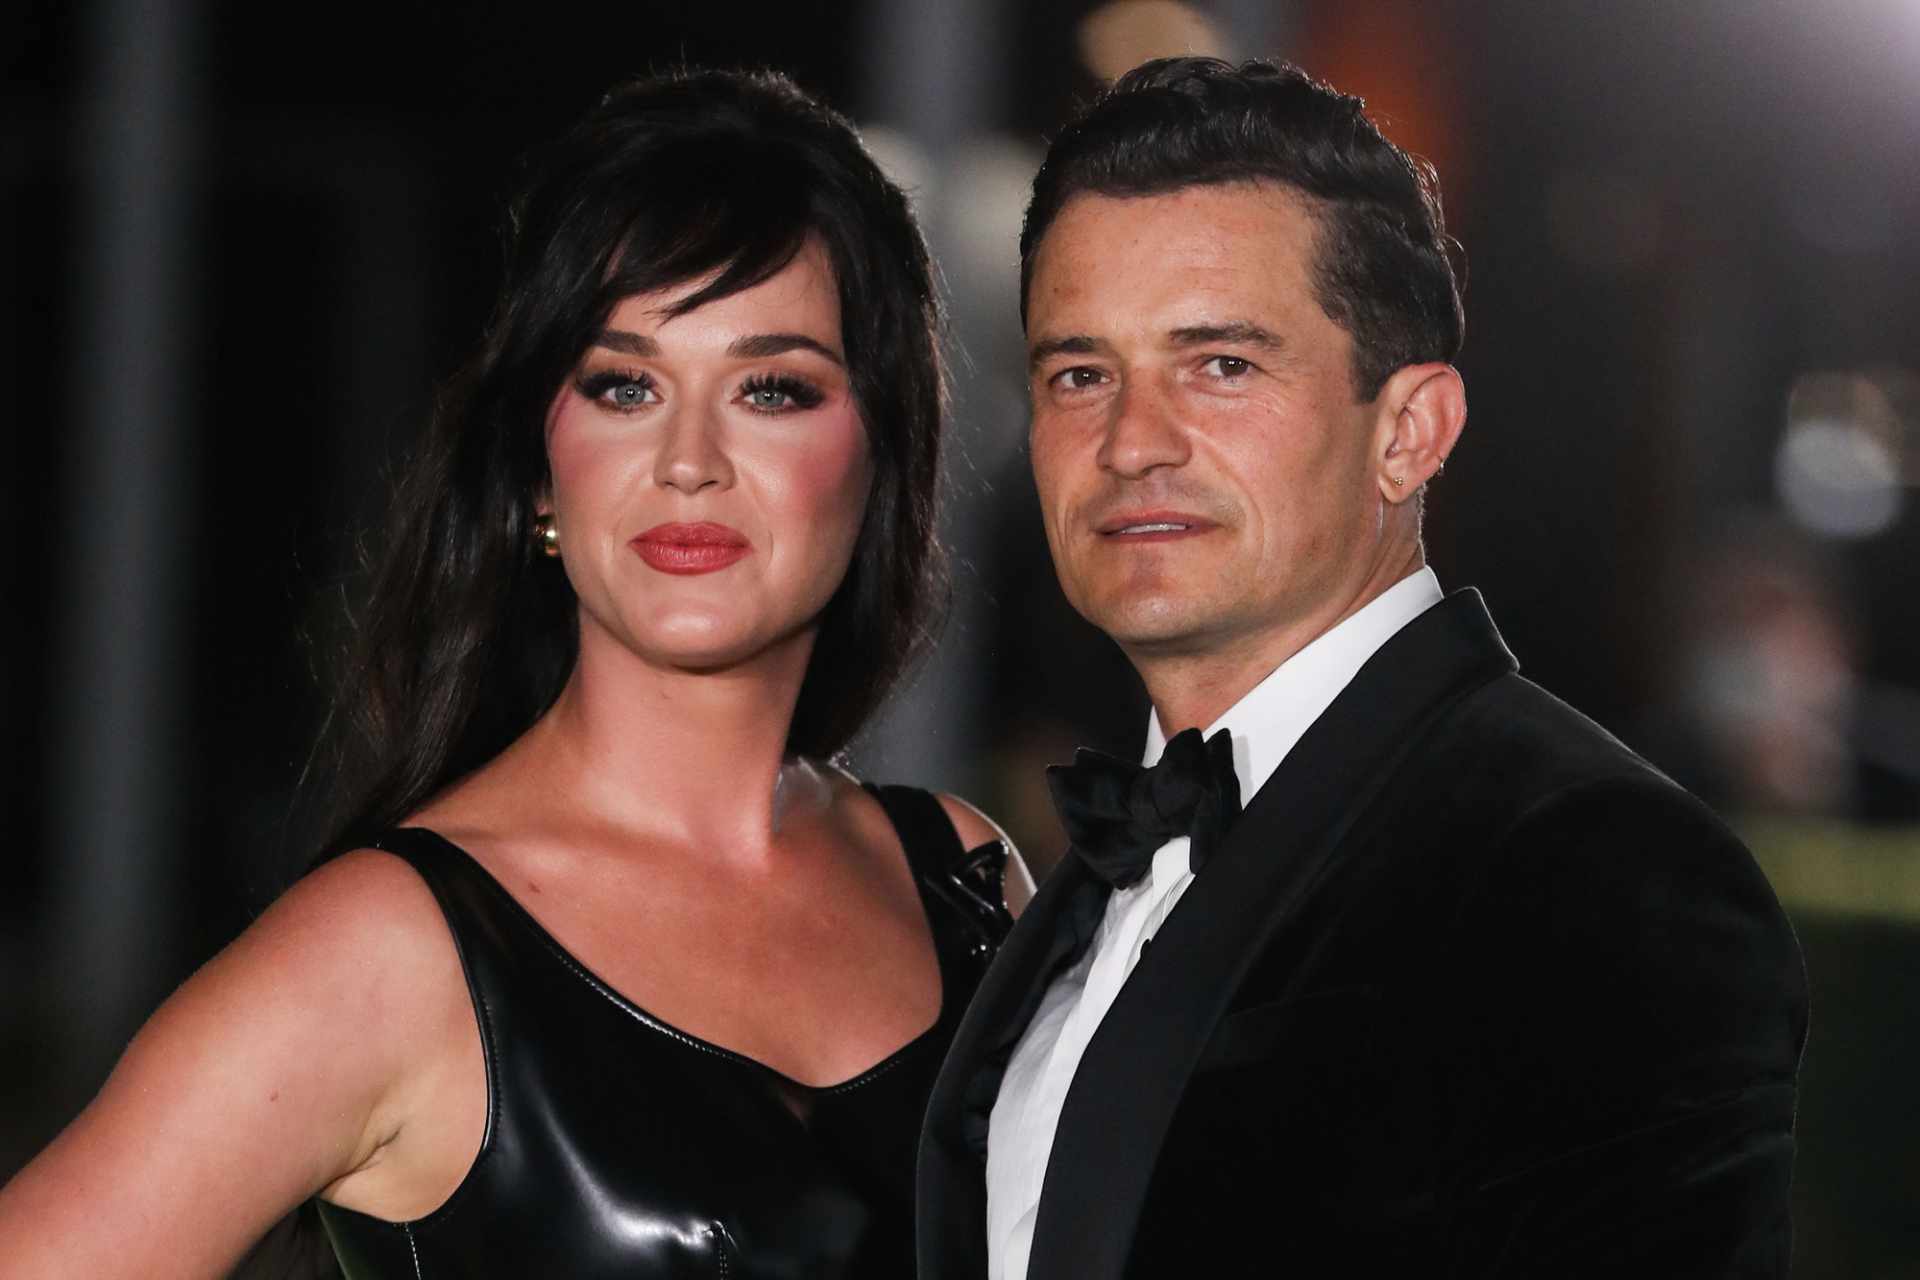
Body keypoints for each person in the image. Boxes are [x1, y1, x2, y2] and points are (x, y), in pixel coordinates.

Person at [0, 68, 1030, 1279]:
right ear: (542, 468)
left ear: (881, 452)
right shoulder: (388, 948)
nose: (689, 459)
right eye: (624, 385)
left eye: (771, 388)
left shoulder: (966, 883)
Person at [918, 58, 1807, 1280]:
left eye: (1222, 365)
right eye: (1081, 373)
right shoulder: (1086, 880)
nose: (1129, 441)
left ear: (1409, 431)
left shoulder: (1590, 865)